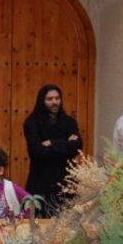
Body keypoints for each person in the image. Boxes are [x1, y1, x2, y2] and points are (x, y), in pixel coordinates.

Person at [23, 84, 82, 215]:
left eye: (57, 98)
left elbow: (77, 147)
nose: (54, 102)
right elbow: (36, 151)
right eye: (49, 99)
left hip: (65, 183)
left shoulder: (69, 122)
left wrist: (51, 143)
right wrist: (65, 144)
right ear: (42, 101)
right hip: (40, 182)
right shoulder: (32, 122)